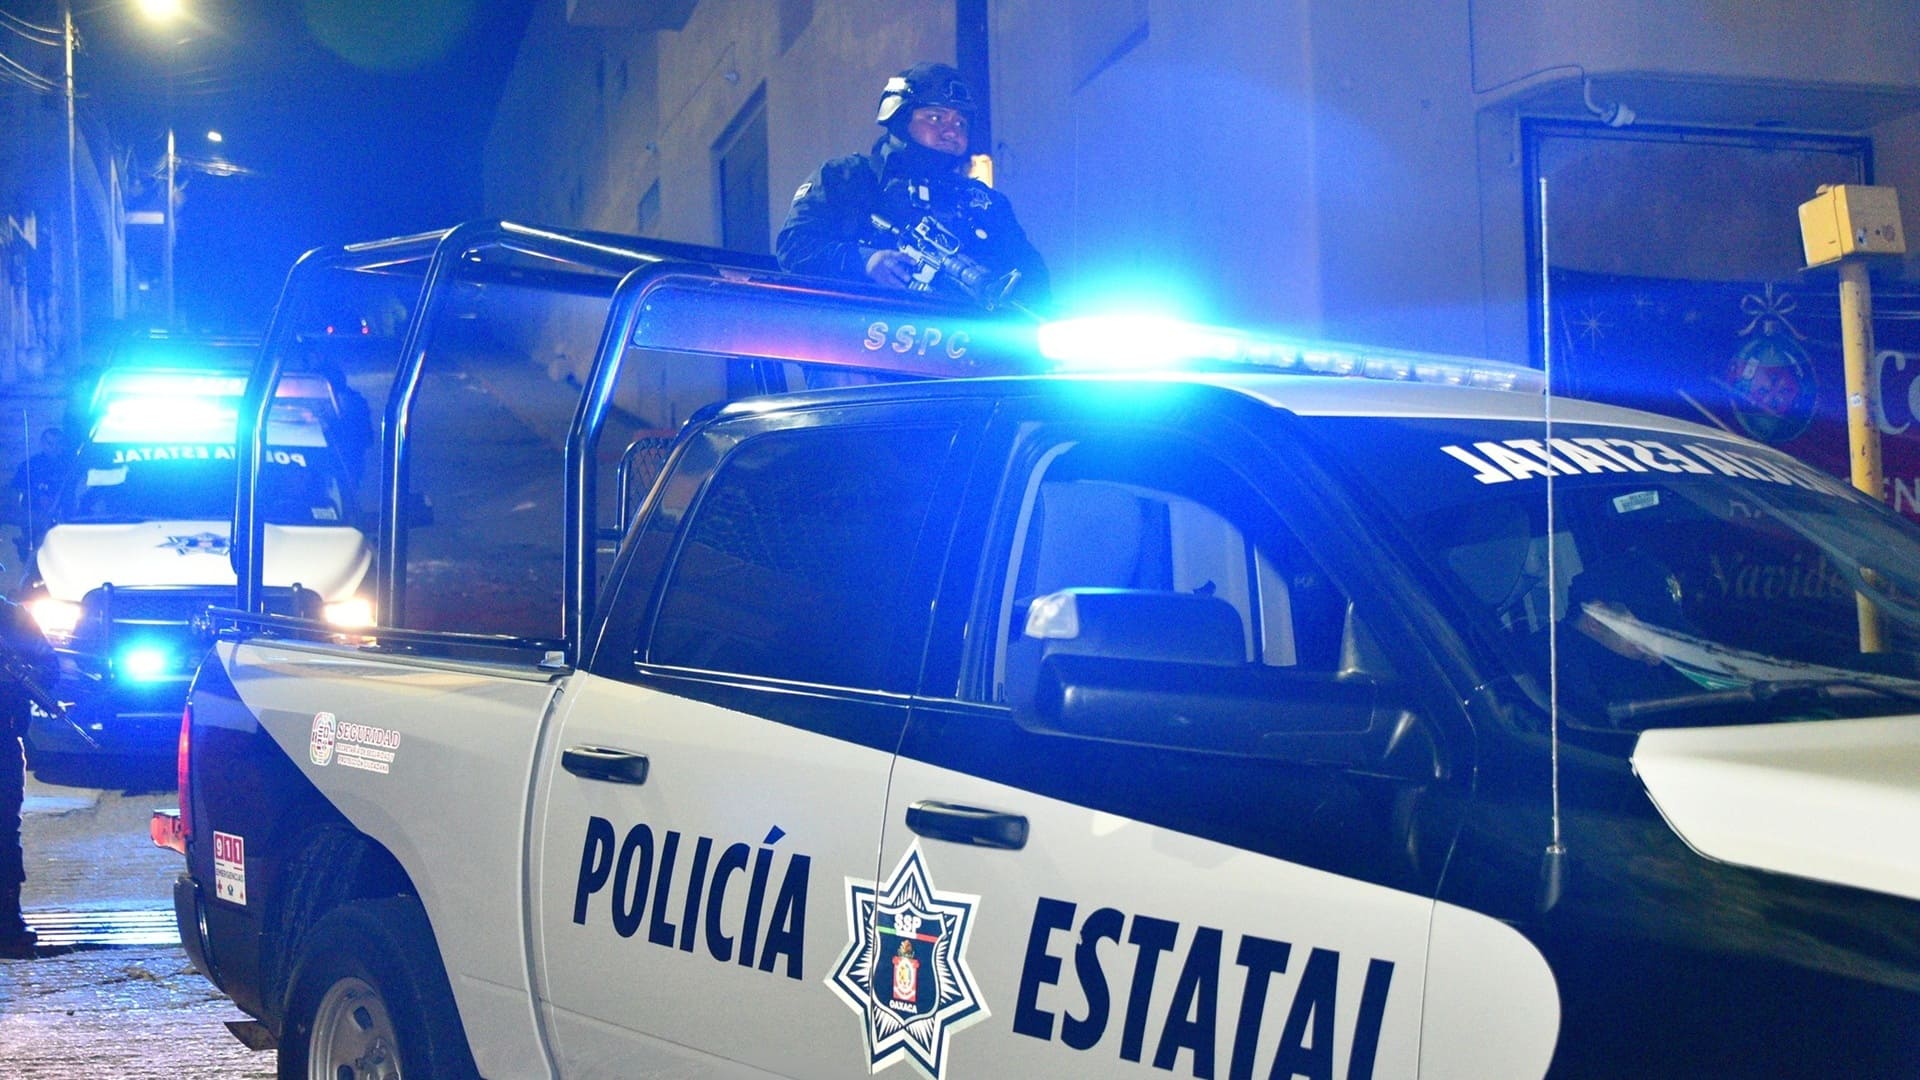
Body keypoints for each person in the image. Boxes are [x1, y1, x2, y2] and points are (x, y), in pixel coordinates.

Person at [776, 62, 1051, 312]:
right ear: (900, 116)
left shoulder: (986, 204)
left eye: (960, 123)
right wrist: (865, 262)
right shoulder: (845, 178)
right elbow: (794, 247)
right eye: (935, 117)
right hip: (860, 346)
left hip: (968, 352)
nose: (951, 130)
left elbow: (1034, 281)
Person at [1, 596, 57, 957]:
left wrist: (21, 676)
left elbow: (49, 668)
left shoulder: (11, 617)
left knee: (4, 832)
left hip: (2, 739)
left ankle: (7, 919)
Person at [9, 427, 68, 562]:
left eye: (58, 444)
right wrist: (37, 496)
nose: (54, 448)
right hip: (34, 514)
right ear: (42, 444)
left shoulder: (69, 466)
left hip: (62, 515)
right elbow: (17, 488)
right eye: (50, 444)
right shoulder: (30, 465)